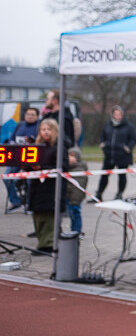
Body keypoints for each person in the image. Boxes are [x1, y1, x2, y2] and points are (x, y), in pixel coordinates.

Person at [26, 118, 61, 253]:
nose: (46, 132)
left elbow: (61, 167)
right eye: (43, 129)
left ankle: (48, 245)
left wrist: (42, 168)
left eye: (49, 129)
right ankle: (42, 243)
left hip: (51, 189)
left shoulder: (58, 148)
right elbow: (29, 166)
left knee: (48, 219)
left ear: (55, 131)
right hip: (36, 189)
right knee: (38, 218)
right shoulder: (36, 147)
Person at [96, 105, 136, 202]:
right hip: (109, 155)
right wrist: (103, 144)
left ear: (123, 115)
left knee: (122, 176)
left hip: (122, 156)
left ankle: (119, 194)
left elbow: (134, 139)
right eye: (115, 114)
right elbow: (102, 136)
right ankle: (99, 194)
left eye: (119, 114)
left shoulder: (129, 126)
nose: (117, 116)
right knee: (104, 175)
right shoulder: (108, 125)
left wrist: (128, 148)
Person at [5, 106, 40, 212]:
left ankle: (30, 204)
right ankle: (16, 201)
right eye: (28, 114)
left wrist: (32, 141)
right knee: (7, 177)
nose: (30, 116)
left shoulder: (39, 126)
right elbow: (11, 139)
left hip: (32, 159)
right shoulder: (19, 125)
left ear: (37, 117)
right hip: (17, 157)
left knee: (31, 181)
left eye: (32, 115)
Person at [64, 147, 88, 235]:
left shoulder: (79, 170)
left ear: (77, 158)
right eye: (68, 155)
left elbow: (78, 188)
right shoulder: (68, 168)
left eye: (72, 156)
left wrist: (75, 200)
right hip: (69, 197)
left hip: (74, 199)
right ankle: (73, 230)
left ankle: (77, 231)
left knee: (75, 214)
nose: (69, 157)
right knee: (72, 215)